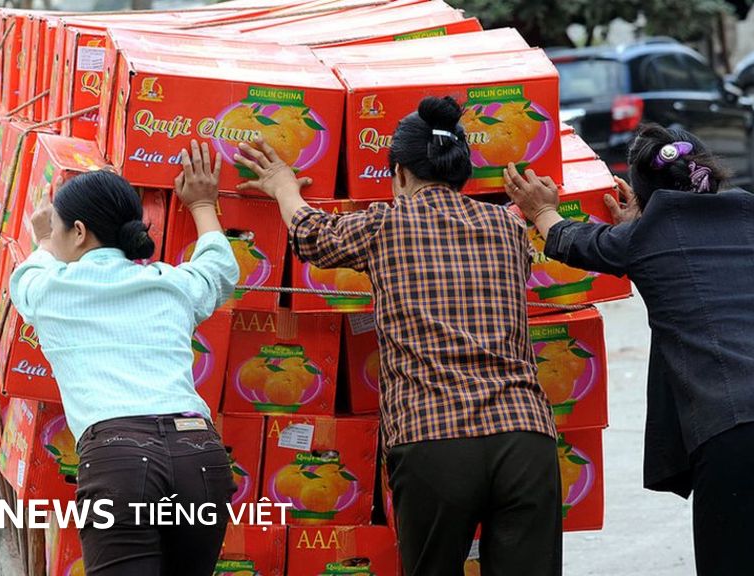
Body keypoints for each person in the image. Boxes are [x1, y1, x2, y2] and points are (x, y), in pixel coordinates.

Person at [234, 96, 561, 576]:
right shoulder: (509, 229)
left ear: (400, 174)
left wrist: (283, 184)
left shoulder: (385, 223)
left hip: (434, 439)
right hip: (525, 436)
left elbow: (312, 235)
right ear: (461, 170)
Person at [504, 123, 754, 576]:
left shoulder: (647, 235)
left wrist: (543, 211)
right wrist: (642, 222)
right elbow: (687, 248)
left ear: (644, 195)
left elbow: (574, 241)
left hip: (736, 432)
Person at [9, 141, 239, 576]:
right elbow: (219, 270)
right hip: (198, 455)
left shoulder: (51, 290)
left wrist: (43, 240)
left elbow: (28, 275)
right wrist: (202, 204)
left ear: (78, 232)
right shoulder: (170, 283)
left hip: (120, 462)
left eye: (59, 228)